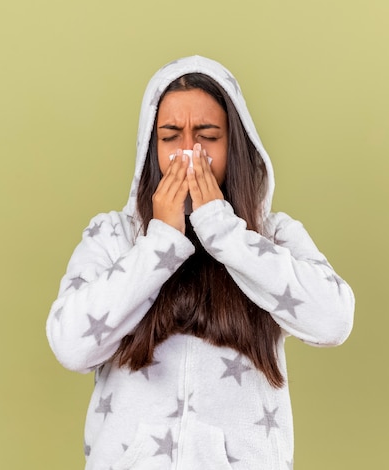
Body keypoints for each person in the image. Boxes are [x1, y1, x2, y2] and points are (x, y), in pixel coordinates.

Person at [46, 55, 355, 470]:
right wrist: (160, 242)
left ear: (235, 146)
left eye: (207, 136)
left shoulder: (273, 236)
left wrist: (226, 234)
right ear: (151, 148)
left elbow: (333, 320)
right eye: (171, 136)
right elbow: (70, 345)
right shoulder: (114, 236)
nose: (188, 155)